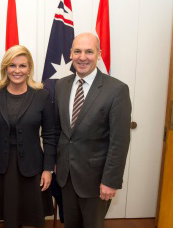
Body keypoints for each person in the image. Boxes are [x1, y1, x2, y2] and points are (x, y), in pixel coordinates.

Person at [55, 33, 131, 228]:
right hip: (66, 177)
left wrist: (110, 181)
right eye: (78, 51)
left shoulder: (117, 90)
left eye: (89, 51)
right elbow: (59, 131)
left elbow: (119, 141)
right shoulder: (61, 85)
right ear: (70, 54)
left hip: (96, 181)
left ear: (99, 54)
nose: (83, 57)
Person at [0, 45, 55, 228]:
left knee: (32, 218)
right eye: (12, 65)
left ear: (29, 68)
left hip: (33, 168)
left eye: (22, 65)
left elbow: (50, 135)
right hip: (2, 168)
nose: (17, 70)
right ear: (5, 67)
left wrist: (48, 169)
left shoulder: (42, 96)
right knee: (9, 218)